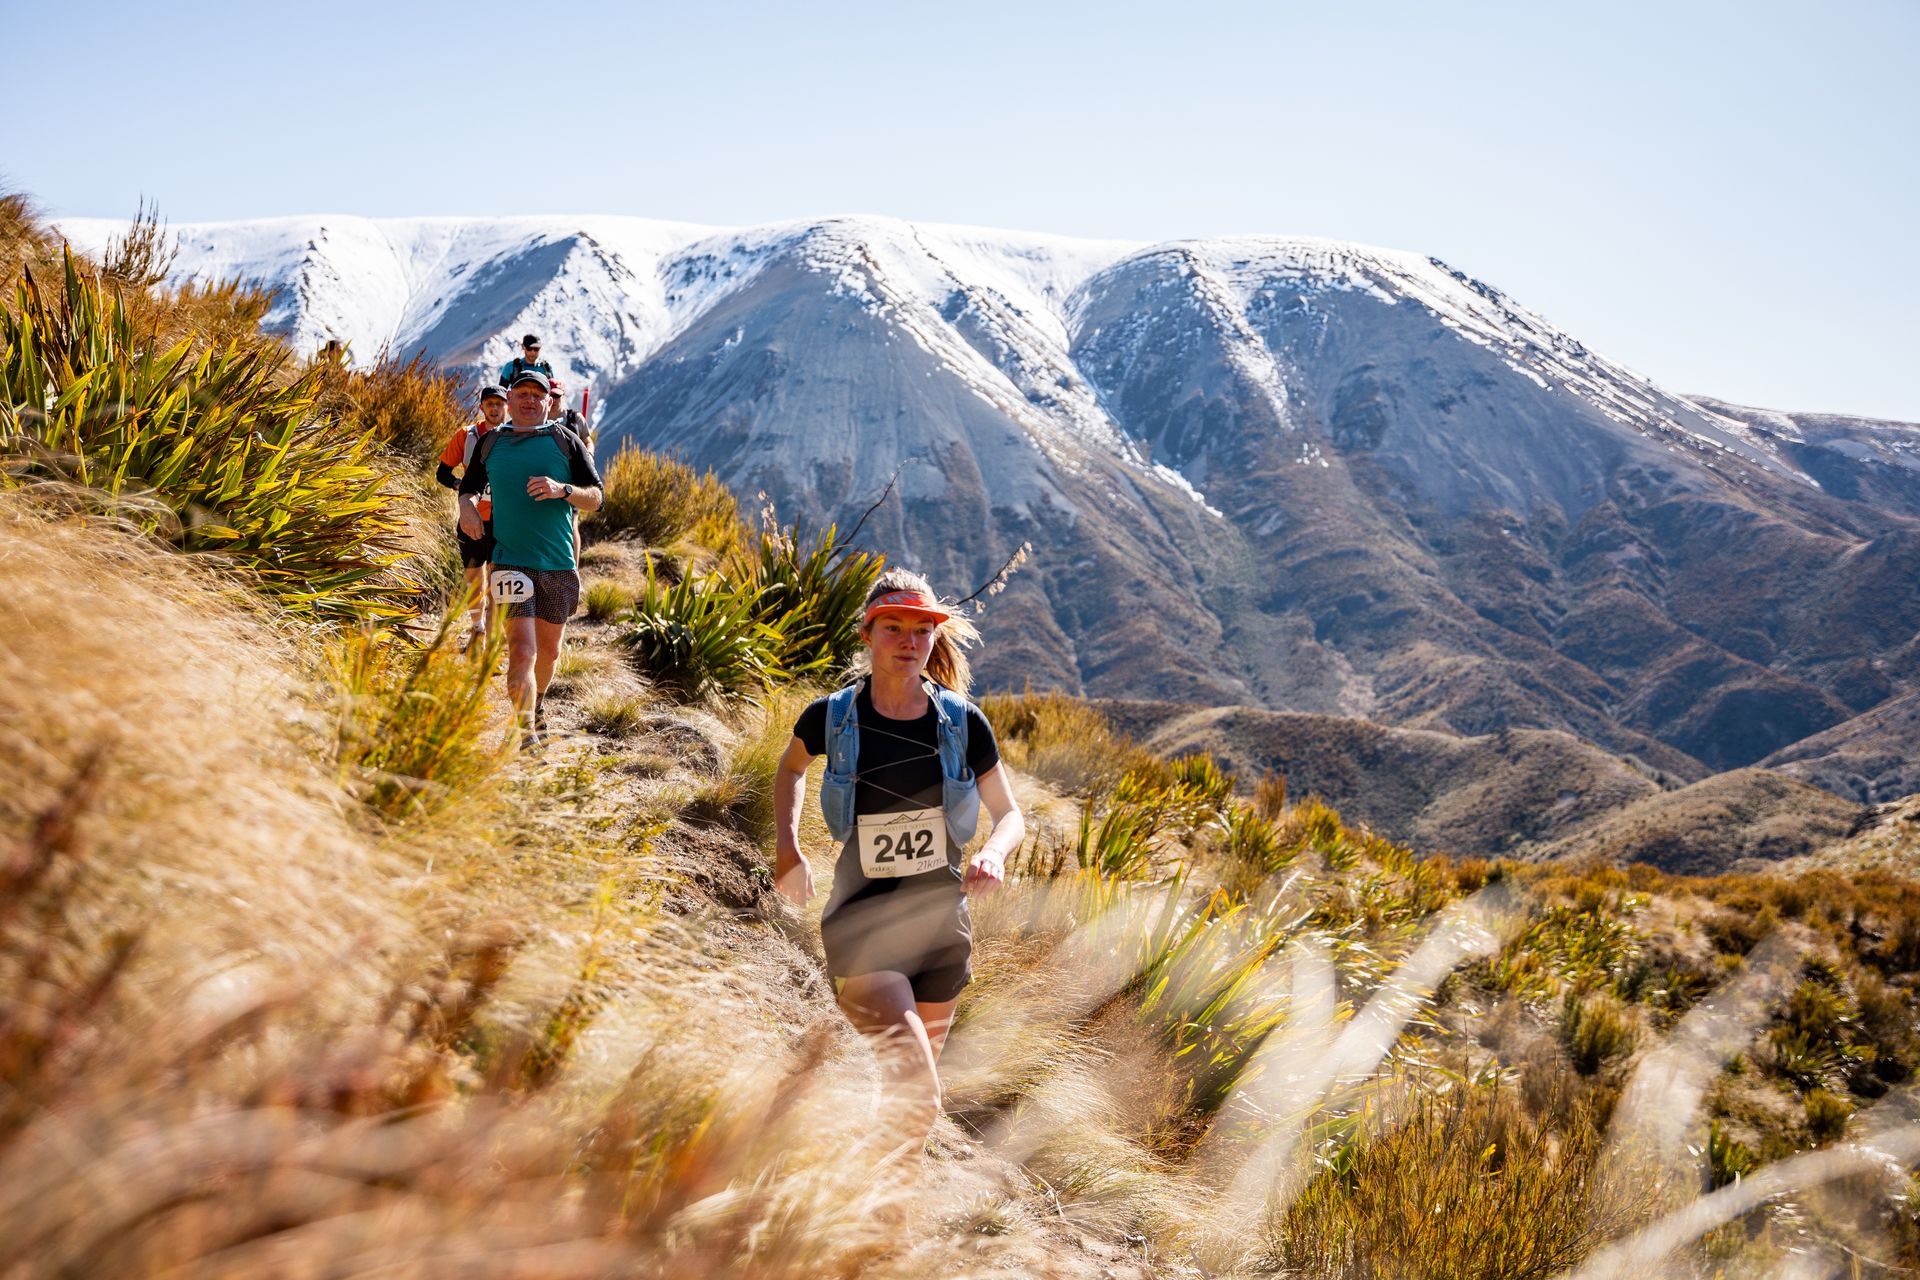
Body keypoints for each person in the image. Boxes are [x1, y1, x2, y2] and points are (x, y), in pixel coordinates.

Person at [772, 571, 1026, 1142]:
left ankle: (885, 1221)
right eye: (893, 628)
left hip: (942, 929)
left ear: (935, 638)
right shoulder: (833, 717)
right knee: (919, 1089)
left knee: (910, 1102)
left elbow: (1010, 815)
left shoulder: (962, 723)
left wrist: (993, 853)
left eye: (921, 629)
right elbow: (791, 769)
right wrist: (788, 848)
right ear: (867, 633)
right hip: (865, 922)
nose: (908, 641)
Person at [457, 369, 603, 744]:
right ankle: (524, 734)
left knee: (549, 654)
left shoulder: (564, 439)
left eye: (536, 395)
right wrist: (468, 510)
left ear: (546, 401)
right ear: (510, 399)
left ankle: (535, 706)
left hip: (557, 563)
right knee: (522, 650)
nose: (529, 400)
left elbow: (596, 498)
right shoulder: (492, 443)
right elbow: (468, 488)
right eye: (521, 393)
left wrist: (562, 489)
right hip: (508, 560)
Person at [436, 383, 507, 645]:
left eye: (499, 404)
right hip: (472, 520)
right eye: (490, 404)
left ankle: (493, 642)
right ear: (482, 407)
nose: (495, 408)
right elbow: (442, 472)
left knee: (499, 582)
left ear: (506, 407)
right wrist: (462, 487)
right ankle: (477, 630)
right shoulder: (467, 436)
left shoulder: (514, 436)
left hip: (505, 522)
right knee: (475, 578)